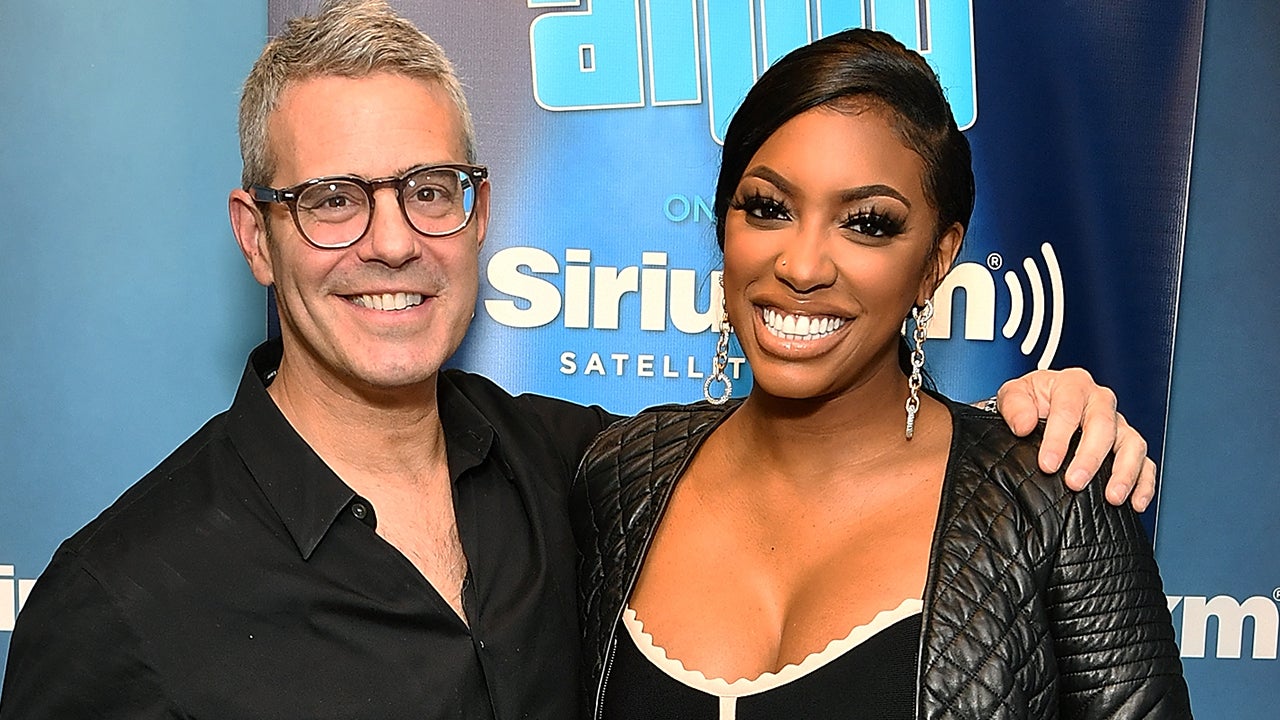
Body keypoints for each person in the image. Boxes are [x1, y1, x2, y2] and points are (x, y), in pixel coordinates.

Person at [0, 2, 1161, 719]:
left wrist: (1043, 419)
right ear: (257, 233)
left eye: (427, 190)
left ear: (479, 208)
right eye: (333, 200)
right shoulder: (119, 601)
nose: (393, 240)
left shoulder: (576, 470)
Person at [572, 28, 1191, 720]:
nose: (803, 267)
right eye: (768, 208)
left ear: (937, 258)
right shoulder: (620, 477)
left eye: (866, 223)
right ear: (724, 227)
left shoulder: (1055, 502)